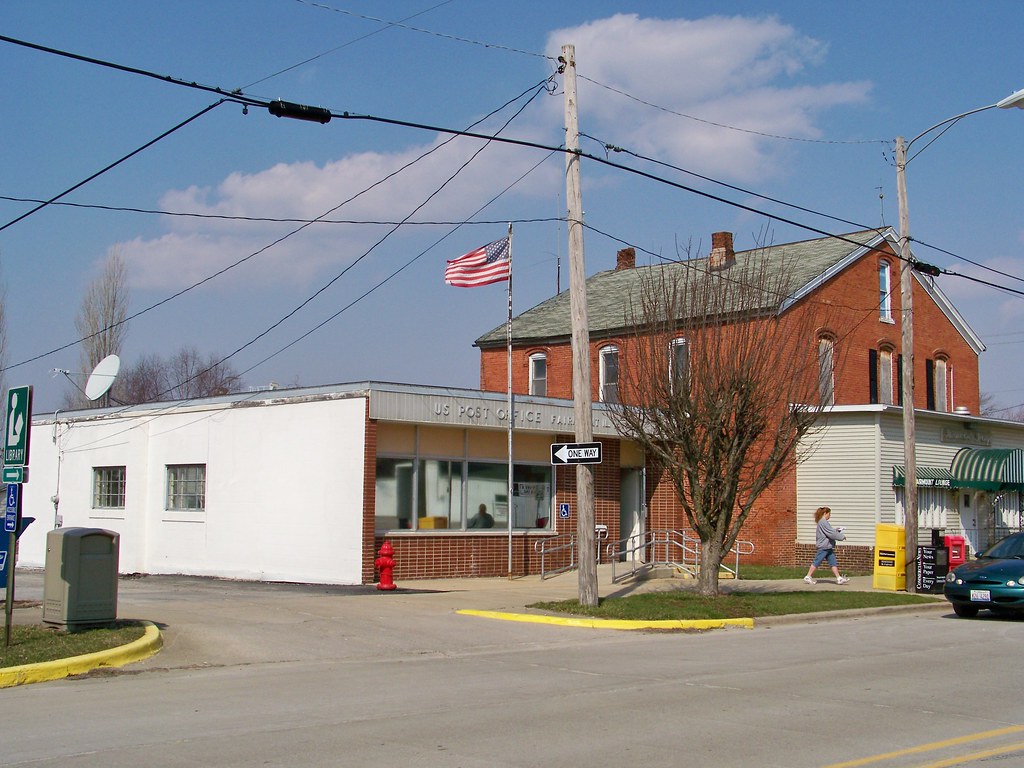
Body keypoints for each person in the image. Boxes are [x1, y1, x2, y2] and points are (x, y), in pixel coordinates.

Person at [804, 506, 849, 584]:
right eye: (829, 514)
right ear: (825, 513)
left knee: (833, 562)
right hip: (823, 547)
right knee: (817, 561)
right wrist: (841, 537)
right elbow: (830, 533)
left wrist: (836, 530)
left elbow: (830, 531)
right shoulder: (823, 522)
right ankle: (808, 576)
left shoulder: (823, 522)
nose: (830, 516)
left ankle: (839, 578)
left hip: (828, 546)